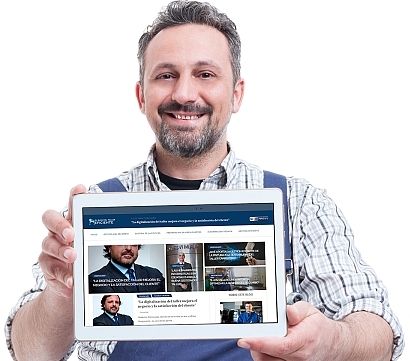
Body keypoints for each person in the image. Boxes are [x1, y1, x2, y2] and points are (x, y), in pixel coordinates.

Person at [6, 1, 404, 361]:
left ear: (236, 94)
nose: (184, 93)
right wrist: (59, 296)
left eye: (205, 73)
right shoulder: (93, 210)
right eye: (166, 75)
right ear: (141, 95)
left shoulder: (298, 204)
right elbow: (28, 352)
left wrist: (335, 342)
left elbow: (380, 330)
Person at [88, 244, 165, 293]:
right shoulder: (97, 279)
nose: (128, 248)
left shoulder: (154, 274)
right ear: (109, 248)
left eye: (134, 243)